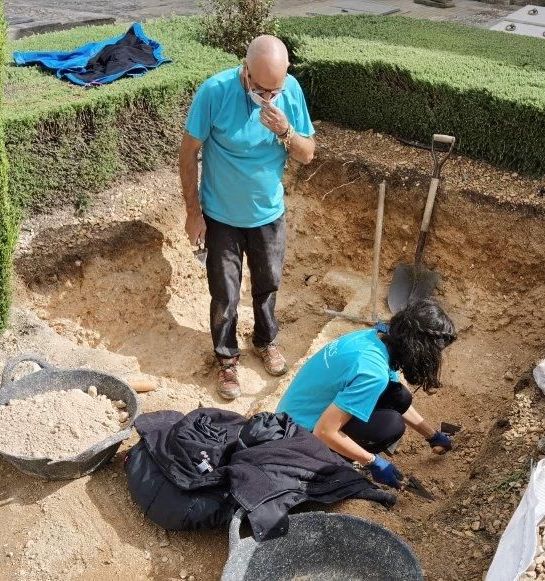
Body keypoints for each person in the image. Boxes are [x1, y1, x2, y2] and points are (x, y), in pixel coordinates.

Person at [178, 35, 316, 401]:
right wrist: (194, 213)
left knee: (268, 283)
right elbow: (188, 152)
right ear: (246, 70)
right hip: (221, 215)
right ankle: (226, 359)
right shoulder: (215, 91)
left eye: (276, 89)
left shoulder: (290, 92)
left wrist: (286, 131)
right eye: (261, 89)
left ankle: (265, 341)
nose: (269, 97)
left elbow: (308, 154)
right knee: (224, 293)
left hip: (268, 213)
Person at [275, 299, 458, 489]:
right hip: (297, 435)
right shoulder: (372, 372)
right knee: (390, 426)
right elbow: (324, 431)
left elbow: (395, 399)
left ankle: (345, 451)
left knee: (399, 396)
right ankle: (336, 460)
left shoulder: (374, 338)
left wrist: (432, 435)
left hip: (291, 414)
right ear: (418, 348)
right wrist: (372, 462)